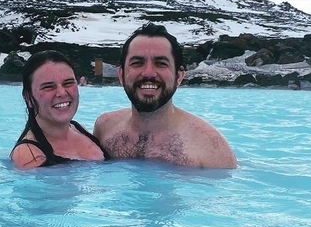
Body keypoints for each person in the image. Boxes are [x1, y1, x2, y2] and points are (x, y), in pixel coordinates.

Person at [94, 23, 237, 169]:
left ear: (179, 76)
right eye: (137, 63)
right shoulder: (105, 128)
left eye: (161, 63)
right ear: (121, 75)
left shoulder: (211, 148)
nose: (148, 73)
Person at [10, 50, 108, 168]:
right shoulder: (28, 155)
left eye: (68, 83)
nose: (61, 93)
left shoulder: (78, 128)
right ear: (29, 98)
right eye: (48, 87)